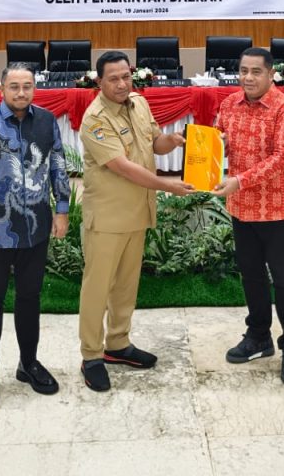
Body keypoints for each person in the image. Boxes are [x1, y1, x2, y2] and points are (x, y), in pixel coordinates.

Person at [78, 50, 193, 392]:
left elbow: (154, 144)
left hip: (137, 213)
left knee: (126, 286)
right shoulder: (94, 119)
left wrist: (172, 141)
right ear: (99, 82)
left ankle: (117, 344)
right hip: (108, 217)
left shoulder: (139, 104)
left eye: (126, 76)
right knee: (97, 289)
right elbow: (123, 168)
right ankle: (91, 355)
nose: (121, 84)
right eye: (113, 79)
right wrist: (168, 186)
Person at [0, 63, 71, 412]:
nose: (21, 93)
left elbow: (58, 165)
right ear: (1, 88)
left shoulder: (47, 121)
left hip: (35, 228)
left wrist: (62, 208)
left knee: (30, 298)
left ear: (34, 88)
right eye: (14, 87)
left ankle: (28, 363)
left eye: (27, 86)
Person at [213, 47, 284, 386]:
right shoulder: (229, 104)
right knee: (251, 275)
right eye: (243, 71)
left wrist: (239, 181)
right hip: (242, 208)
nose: (248, 78)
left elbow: (282, 158)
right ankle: (258, 336)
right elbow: (218, 139)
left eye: (256, 72)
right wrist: (215, 146)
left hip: (277, 209)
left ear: (270, 75)